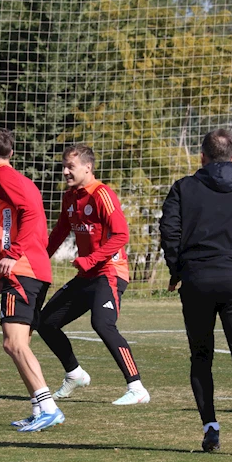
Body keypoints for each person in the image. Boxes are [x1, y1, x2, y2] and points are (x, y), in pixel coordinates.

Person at [159, 128, 232, 454]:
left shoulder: (183, 188)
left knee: (201, 356)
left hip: (196, 282)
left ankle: (210, 427)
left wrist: (177, 270)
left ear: (202, 157)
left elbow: (169, 230)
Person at [38, 145, 150, 405]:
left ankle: (137, 387)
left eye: (70, 167)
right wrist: (38, 259)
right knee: (45, 322)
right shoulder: (70, 197)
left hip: (110, 272)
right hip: (87, 275)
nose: (65, 171)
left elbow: (122, 235)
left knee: (102, 324)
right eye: (64, 166)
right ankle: (75, 374)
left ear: (87, 167)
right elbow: (59, 233)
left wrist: (91, 259)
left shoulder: (102, 194)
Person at [0, 126, 65, 432]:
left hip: (25, 269)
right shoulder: (12, 180)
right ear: (11, 153)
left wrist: (13, 256)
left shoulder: (4, 177)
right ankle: (39, 407)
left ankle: (49, 407)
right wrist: (3, 270)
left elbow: (31, 214)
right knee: (19, 343)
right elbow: (18, 223)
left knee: (13, 343)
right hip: (30, 269)